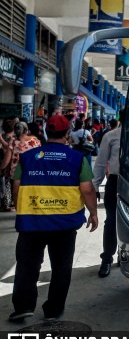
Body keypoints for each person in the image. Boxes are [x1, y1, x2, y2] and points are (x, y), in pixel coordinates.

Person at [9, 114, 98, 322]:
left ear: (47, 132)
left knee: (27, 266)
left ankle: (23, 306)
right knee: (61, 267)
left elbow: (16, 187)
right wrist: (93, 212)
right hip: (64, 224)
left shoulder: (28, 157)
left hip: (32, 221)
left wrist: (21, 207)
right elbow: (87, 189)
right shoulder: (77, 159)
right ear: (67, 134)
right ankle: (53, 310)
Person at [92, 113, 123, 277]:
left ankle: (125, 255)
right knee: (111, 220)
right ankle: (107, 259)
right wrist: (95, 185)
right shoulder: (111, 136)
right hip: (115, 181)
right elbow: (101, 162)